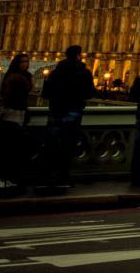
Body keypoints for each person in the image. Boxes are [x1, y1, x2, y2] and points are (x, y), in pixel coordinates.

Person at [39, 44, 95, 191]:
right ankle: (63, 176)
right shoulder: (84, 73)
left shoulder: (55, 72)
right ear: (78, 56)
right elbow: (90, 93)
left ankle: (46, 176)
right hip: (73, 111)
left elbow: (45, 93)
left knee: (51, 143)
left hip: (56, 110)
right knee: (68, 145)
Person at [0, 53, 33, 192]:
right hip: (11, 116)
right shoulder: (15, 78)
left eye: (27, 61)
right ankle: (1, 180)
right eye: (23, 62)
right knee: (8, 150)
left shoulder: (20, 77)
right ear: (17, 64)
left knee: (12, 151)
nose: (26, 64)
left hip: (17, 115)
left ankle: (6, 179)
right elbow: (9, 96)